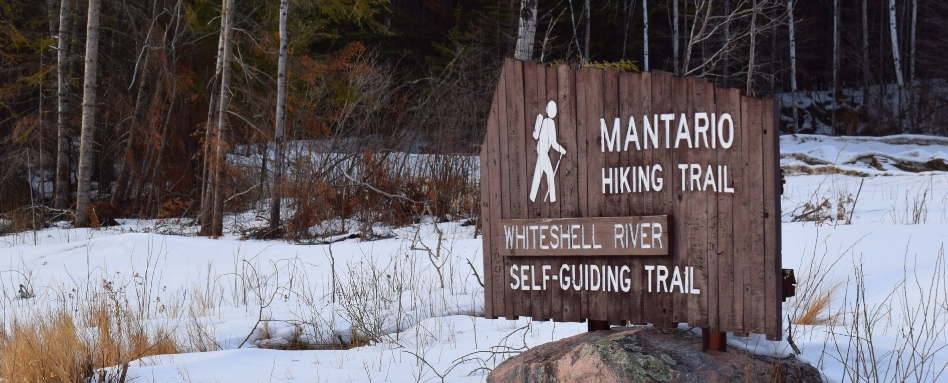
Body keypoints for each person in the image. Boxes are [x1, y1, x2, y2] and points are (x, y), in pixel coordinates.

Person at [529, 101, 566, 202]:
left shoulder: (548, 122)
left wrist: (561, 149)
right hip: (543, 153)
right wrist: (562, 150)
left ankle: (532, 197)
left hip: (541, 152)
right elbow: (553, 143)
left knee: (537, 175)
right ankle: (553, 199)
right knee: (550, 175)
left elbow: (553, 143)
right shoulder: (548, 123)